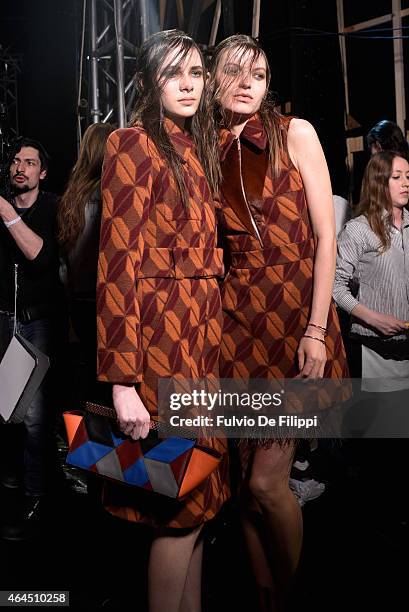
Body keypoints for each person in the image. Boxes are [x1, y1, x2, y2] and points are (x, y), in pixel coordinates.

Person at [209, 35, 348, 610]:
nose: (248, 83)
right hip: (238, 325)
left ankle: (295, 597)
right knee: (244, 487)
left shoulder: (297, 133)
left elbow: (326, 237)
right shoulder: (202, 148)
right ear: (215, 79)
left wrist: (316, 331)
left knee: (269, 481)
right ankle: (264, 593)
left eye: (259, 74)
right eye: (235, 72)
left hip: (295, 319)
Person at [96, 30, 229, 612]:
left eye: (197, 73)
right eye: (175, 73)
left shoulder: (195, 154)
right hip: (158, 352)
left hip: (201, 351)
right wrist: (123, 382)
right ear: (151, 82)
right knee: (175, 515)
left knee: (198, 507)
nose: (188, 84)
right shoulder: (131, 144)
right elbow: (115, 264)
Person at [0, 137, 64, 540]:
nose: (20, 167)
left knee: (37, 419)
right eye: (15, 161)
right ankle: (11, 487)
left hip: (38, 324)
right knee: (9, 413)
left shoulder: (53, 209)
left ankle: (36, 495)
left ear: (42, 173)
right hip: (6, 322)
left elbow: (40, 257)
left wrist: (8, 215)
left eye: (29, 162)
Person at [333, 151, 409, 407]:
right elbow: (334, 285)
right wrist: (373, 318)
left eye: (408, 176)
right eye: (397, 177)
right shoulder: (359, 230)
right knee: (385, 434)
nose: (406, 183)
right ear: (378, 182)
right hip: (376, 351)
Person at [58, 122, 114, 404]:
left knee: (88, 383)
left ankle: (89, 445)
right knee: (112, 384)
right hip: (107, 297)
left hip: (78, 301)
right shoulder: (112, 195)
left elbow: (65, 264)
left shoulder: (71, 198)